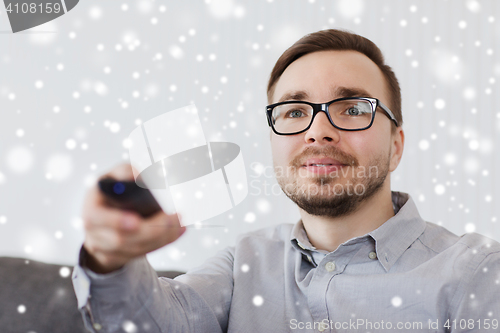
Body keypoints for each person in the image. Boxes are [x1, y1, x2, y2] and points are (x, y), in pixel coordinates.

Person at [72, 29, 500, 333]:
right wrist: (110, 259)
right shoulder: (243, 264)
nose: (318, 131)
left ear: (396, 146)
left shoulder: (478, 273)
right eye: (295, 112)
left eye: (352, 108)